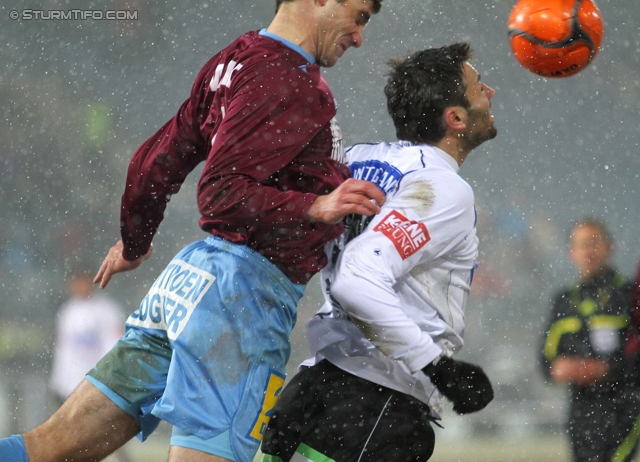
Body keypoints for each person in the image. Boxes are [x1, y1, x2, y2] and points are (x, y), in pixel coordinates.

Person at [0, 1, 387, 461]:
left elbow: (158, 156)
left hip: (186, 284)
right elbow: (221, 192)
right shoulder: (292, 80)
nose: (360, 36)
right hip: (241, 302)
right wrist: (316, 205)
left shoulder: (235, 58)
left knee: (49, 448)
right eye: (359, 16)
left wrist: (135, 238)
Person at [259, 42, 497, 462]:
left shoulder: (355, 160)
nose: (490, 92)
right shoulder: (442, 187)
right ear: (455, 118)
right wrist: (439, 368)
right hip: (372, 406)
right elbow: (357, 280)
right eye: (479, 86)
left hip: (314, 387)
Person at [540, 218, 640, 462]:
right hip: (581, 414)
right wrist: (561, 369)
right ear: (570, 252)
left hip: (624, 409)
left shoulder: (628, 296)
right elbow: (545, 359)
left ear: (610, 248)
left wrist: (604, 370)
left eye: (595, 242)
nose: (589, 250)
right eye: (581, 244)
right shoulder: (564, 301)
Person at [49, 270, 130, 462]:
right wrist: (58, 380)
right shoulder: (67, 310)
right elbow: (63, 349)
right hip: (69, 382)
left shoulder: (107, 309)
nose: (79, 287)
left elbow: (115, 344)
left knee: (109, 431)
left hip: (97, 381)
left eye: (82, 282)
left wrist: (109, 376)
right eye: (75, 283)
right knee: (70, 433)